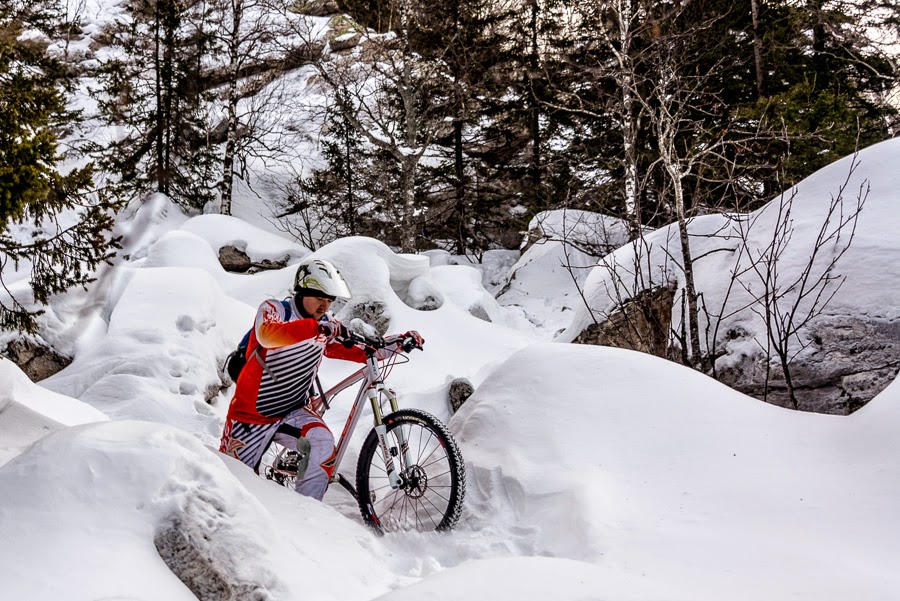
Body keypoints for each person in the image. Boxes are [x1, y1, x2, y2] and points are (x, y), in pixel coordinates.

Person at [219, 257, 423, 500]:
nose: (324, 306)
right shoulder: (274, 310)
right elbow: (267, 336)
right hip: (250, 417)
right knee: (231, 486)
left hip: (294, 411)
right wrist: (317, 329)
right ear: (302, 291)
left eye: (329, 300)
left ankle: (308, 513)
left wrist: (398, 343)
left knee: (323, 443)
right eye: (319, 298)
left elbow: (361, 352)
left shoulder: (325, 325)